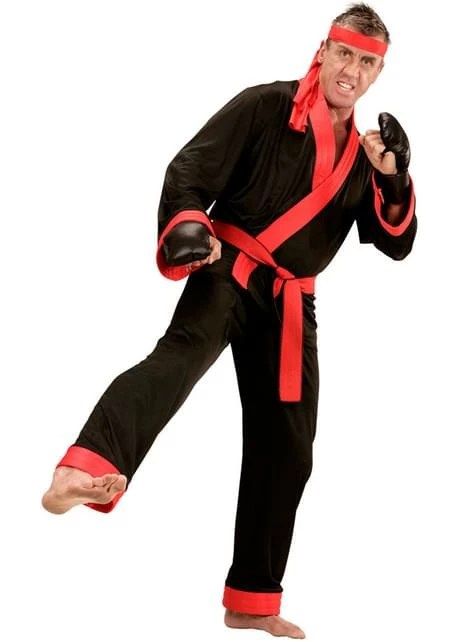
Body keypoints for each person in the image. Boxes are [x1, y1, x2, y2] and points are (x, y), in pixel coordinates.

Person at [41, 3, 417, 639]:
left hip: (291, 301)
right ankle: (81, 468)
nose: (352, 71)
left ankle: (250, 599)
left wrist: (395, 178)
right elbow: (189, 169)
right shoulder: (266, 105)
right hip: (230, 267)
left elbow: (396, 243)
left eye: (367, 63)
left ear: (378, 73)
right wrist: (190, 225)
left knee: (289, 446)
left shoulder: (365, 156)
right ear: (323, 51)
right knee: (179, 360)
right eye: (344, 54)